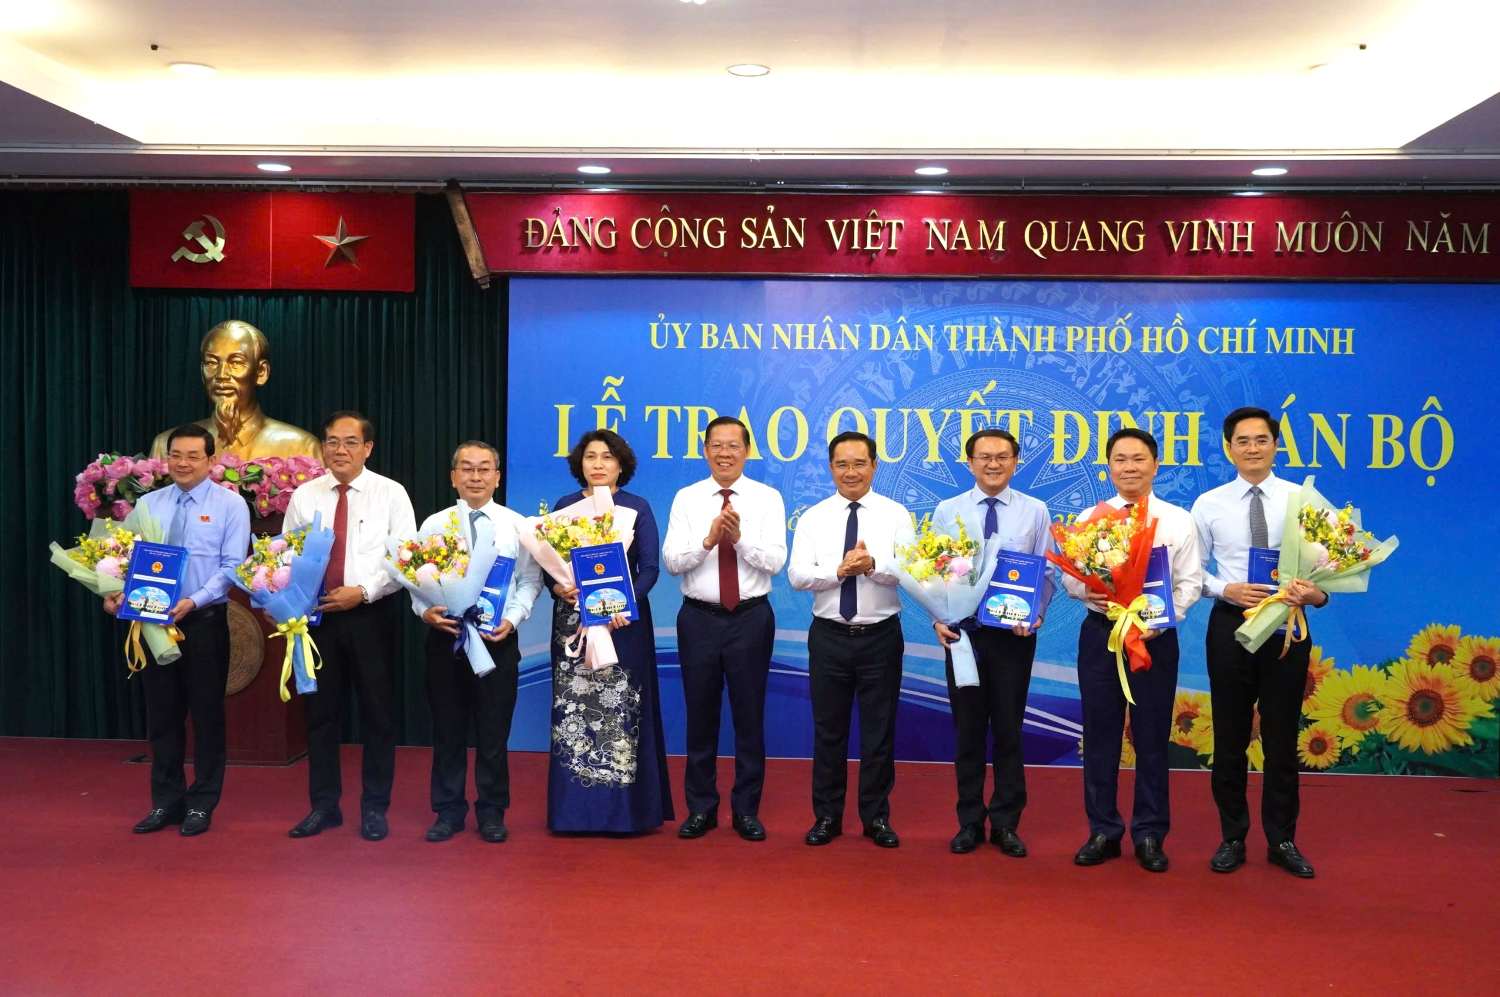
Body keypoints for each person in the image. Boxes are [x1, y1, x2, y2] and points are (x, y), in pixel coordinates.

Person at [1191, 406, 1327, 878]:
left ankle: (1282, 838)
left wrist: (1319, 593)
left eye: (1261, 440)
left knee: (1282, 736)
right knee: (1229, 735)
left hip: (1288, 626)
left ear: (1276, 445)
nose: (1252, 448)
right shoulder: (1208, 504)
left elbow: (1331, 566)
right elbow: (1193, 571)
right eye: (1243, 441)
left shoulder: (1303, 500)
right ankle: (1232, 836)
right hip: (1231, 624)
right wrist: (1223, 588)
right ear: (1229, 448)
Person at [1063, 428, 1202, 872]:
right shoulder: (1091, 516)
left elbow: (1190, 583)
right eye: (1120, 460)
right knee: (1100, 736)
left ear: (1155, 465)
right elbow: (1069, 577)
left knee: (1151, 738)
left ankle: (1150, 834)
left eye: (1138, 459)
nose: (1129, 468)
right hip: (1101, 636)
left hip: (1154, 641)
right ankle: (1102, 830)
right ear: (1108, 467)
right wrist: (1089, 595)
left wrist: (1162, 622)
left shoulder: (1178, 520)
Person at [106, 424, 250, 836]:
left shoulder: (230, 506)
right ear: (166, 459)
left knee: (206, 716)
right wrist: (114, 592)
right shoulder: (148, 504)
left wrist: (194, 600)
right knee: (162, 717)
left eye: (193, 456)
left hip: (202, 622)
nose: (183, 463)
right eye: (176, 455)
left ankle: (202, 803)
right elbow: (121, 559)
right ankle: (166, 801)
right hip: (151, 623)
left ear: (210, 460)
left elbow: (232, 568)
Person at [281, 411, 416, 841]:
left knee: (378, 715)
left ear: (368, 448)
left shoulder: (390, 494)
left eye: (350, 442)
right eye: (332, 441)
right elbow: (287, 552)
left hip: (370, 615)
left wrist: (364, 591)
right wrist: (286, 595)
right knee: (320, 716)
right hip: (317, 616)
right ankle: (324, 806)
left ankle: (375, 808)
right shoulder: (306, 495)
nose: (340, 450)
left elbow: (404, 558)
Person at [931, 428, 1054, 856]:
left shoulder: (1035, 511)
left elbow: (1046, 572)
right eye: (984, 457)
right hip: (962, 635)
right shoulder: (947, 510)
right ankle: (968, 820)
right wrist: (937, 619)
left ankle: (1005, 821)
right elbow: (934, 570)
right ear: (969, 463)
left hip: (1012, 638)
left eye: (1002, 456)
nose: (993, 464)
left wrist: (1035, 612)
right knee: (967, 730)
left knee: (1007, 729)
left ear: (1016, 462)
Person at [788, 431, 914, 849]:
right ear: (830, 468)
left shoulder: (896, 515)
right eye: (842, 464)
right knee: (828, 731)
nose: (851, 472)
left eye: (859, 463)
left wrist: (873, 563)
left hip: (881, 636)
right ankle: (826, 817)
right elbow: (797, 575)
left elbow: (910, 571)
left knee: (879, 732)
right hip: (828, 637)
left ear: (875, 466)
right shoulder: (814, 517)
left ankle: (876, 817)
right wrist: (839, 572)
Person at [662, 416, 786, 841]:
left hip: (751, 618)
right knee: (700, 716)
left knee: (749, 717)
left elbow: (775, 561)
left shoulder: (767, 498)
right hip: (698, 618)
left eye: (733, 446)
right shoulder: (688, 498)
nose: (725, 453)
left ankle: (747, 810)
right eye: (716, 445)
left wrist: (739, 538)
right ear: (705, 450)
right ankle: (701, 808)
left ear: (747, 451)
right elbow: (672, 562)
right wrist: (709, 540)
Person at [545, 429, 674, 833]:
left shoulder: (637, 508)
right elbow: (550, 568)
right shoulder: (565, 507)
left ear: (621, 464)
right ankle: (573, 813)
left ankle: (626, 814)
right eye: (590, 457)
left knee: (621, 713)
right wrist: (558, 587)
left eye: (607, 457)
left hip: (624, 624)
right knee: (575, 713)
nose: (598, 464)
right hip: (574, 624)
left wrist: (623, 604)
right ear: (579, 464)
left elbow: (650, 568)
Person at [412, 441, 542, 844]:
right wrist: (425, 612)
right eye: (466, 469)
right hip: (448, 639)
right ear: (453, 476)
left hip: (496, 640)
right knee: (448, 732)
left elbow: (529, 580)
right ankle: (447, 811)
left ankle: (491, 811)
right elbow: (417, 579)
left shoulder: (516, 525)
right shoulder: (434, 524)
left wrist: (513, 618)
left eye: (484, 469)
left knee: (493, 733)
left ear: (498, 477)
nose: (475, 476)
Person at [149, 319, 321, 460]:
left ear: (261, 372)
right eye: (212, 363)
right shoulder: (165, 446)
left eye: (236, 363)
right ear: (202, 373)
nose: (221, 375)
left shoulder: (301, 447)